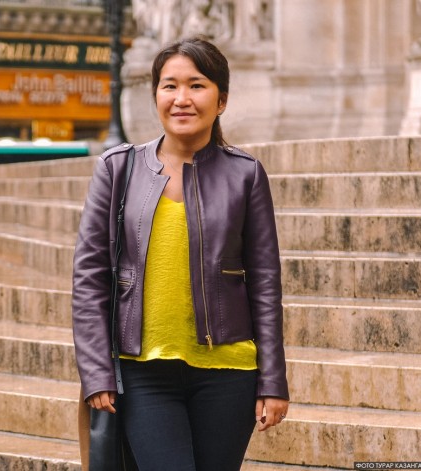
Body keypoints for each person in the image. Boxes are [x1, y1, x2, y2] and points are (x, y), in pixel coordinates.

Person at [72, 36, 289, 471]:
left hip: (229, 373)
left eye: (197, 85)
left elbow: (265, 283)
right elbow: (89, 279)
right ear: (155, 95)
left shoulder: (245, 174)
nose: (182, 98)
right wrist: (96, 372)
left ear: (221, 100)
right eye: (169, 86)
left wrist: (273, 379)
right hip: (142, 372)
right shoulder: (118, 168)